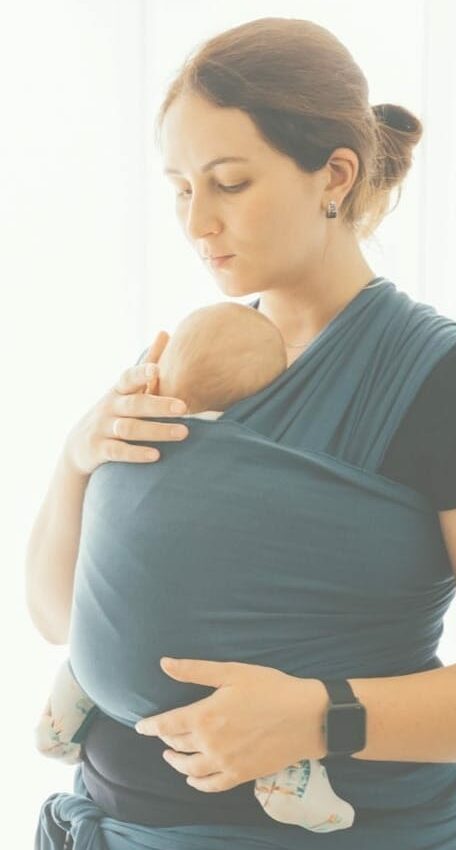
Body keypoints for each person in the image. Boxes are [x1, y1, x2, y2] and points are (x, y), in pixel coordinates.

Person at [26, 16, 456, 850]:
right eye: (182, 187)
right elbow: (57, 618)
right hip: (104, 823)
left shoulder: (455, 384)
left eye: (229, 183)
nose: (197, 224)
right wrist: (77, 457)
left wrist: (319, 718)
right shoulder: (194, 361)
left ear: (334, 175)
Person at [33, 300, 357, 832]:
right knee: (271, 680)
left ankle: (62, 715)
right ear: (268, 400)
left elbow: (67, 610)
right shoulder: (263, 461)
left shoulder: (126, 441)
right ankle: (289, 779)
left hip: (106, 657)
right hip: (212, 682)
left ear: (158, 378)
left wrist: (80, 460)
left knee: (106, 622)